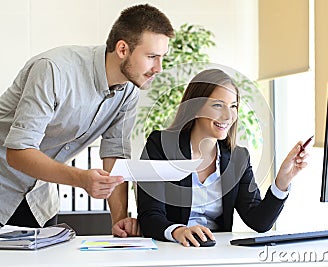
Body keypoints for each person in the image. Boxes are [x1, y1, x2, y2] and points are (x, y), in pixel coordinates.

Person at [0, 4, 174, 235]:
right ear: (123, 49)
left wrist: (120, 219)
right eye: (152, 57)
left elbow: (115, 157)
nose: (159, 68)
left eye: (162, 58)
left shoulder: (129, 91)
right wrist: (81, 179)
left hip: (38, 199)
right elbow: (18, 152)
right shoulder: (54, 70)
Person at [136, 69, 309, 247]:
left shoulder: (238, 157)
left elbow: (259, 221)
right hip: (171, 249)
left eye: (233, 106)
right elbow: (150, 215)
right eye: (218, 105)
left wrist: (283, 180)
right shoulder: (160, 145)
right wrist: (178, 231)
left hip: (216, 251)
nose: (228, 116)